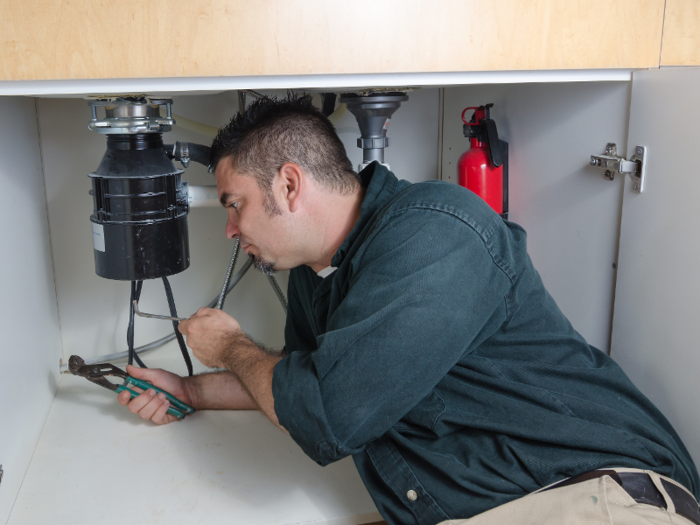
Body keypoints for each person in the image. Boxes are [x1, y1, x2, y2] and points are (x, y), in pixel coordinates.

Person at [118, 94, 700, 525]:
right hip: (501, 504)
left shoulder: (436, 232)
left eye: (235, 205)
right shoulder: (314, 276)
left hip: (596, 497)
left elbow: (324, 413)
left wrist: (228, 345)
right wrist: (189, 391)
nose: (228, 229)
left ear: (290, 185)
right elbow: (294, 387)